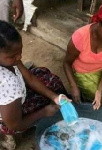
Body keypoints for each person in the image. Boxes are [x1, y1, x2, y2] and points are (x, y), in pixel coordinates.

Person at [0, 20, 69, 150]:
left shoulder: (9, 59)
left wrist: (54, 96)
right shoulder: (7, 83)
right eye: (13, 56)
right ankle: (5, 135)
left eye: (20, 51)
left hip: (12, 98)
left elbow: (30, 77)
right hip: (10, 117)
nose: (19, 57)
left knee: (46, 77)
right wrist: (44, 112)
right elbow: (15, 124)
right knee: (45, 107)